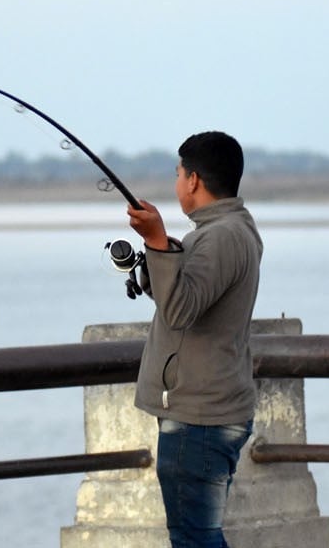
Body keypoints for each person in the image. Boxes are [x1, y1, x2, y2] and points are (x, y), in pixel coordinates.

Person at [126, 130, 263, 548]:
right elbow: (190, 298)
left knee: (194, 540)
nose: (177, 183)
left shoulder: (219, 236)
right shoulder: (229, 229)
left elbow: (181, 310)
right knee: (197, 536)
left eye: (178, 173)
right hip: (208, 411)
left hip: (200, 418)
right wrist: (160, 254)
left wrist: (154, 241)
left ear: (193, 180)